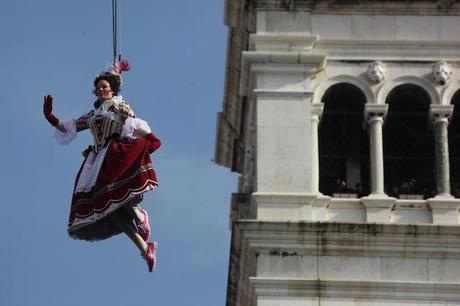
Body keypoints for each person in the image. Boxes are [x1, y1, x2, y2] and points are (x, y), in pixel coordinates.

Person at [43, 60, 161, 272]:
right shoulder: (92, 114)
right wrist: (51, 117)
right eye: (98, 88)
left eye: (105, 86)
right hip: (96, 160)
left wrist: (151, 138)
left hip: (114, 153)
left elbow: (133, 123)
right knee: (110, 210)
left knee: (117, 190)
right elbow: (69, 126)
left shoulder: (119, 105)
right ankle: (145, 249)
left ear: (113, 89)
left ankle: (138, 214)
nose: (100, 90)